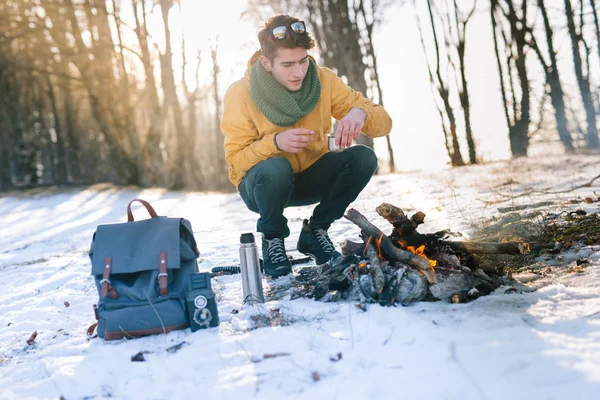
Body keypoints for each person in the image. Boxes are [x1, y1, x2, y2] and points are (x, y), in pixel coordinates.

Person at [220, 14, 392, 278]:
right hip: (262, 187)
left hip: (310, 177)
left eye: (303, 61)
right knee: (276, 166)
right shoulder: (240, 93)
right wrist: (275, 143)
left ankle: (315, 232)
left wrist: (360, 113)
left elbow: (385, 124)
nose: (299, 72)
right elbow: (236, 161)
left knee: (363, 158)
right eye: (287, 64)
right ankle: (273, 241)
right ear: (266, 62)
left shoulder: (323, 80)